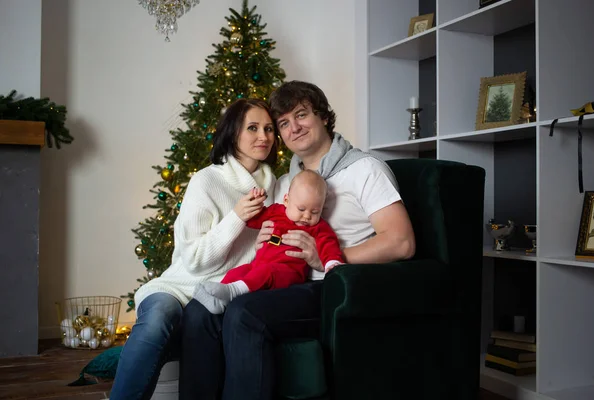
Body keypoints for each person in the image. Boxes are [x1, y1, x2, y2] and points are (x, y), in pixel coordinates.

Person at [179, 81, 416, 400]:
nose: (294, 128)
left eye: (301, 115)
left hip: (334, 288)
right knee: (199, 312)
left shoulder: (365, 170)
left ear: (323, 117)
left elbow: (401, 242)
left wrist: (329, 258)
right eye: (284, 123)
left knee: (245, 312)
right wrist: (263, 238)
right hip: (286, 283)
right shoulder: (285, 183)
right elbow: (270, 225)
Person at [109, 98, 279, 400]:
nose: (264, 136)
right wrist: (237, 217)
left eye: (268, 128)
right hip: (180, 286)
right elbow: (194, 260)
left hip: (221, 292)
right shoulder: (206, 181)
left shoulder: (275, 187)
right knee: (158, 317)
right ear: (233, 134)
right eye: (252, 128)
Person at [192, 170, 344, 314]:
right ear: (286, 200)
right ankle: (219, 297)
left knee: (267, 272)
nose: (306, 216)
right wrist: (255, 202)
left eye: (314, 212)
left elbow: (329, 244)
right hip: (259, 265)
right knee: (240, 271)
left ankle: (233, 292)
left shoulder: (318, 227)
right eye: (301, 209)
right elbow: (252, 220)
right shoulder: (275, 212)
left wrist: (332, 263)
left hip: (288, 272)